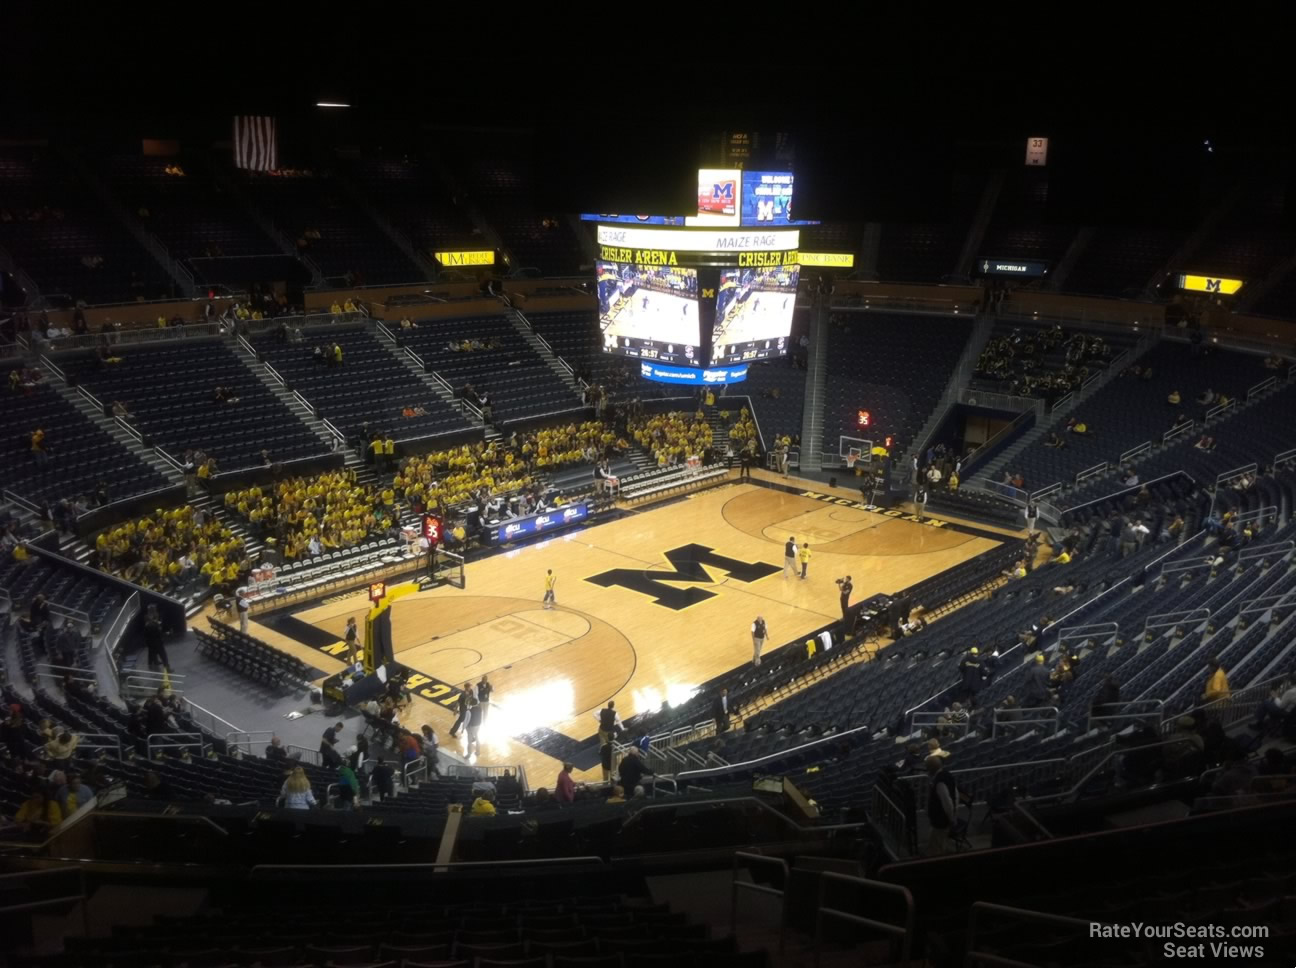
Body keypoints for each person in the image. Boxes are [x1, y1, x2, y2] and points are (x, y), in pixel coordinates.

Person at [925, 754, 957, 856]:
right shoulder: (947, 774)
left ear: (930, 769)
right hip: (941, 820)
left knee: (937, 848)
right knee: (937, 842)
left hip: (941, 820)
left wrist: (952, 818)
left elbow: (947, 803)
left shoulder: (940, 782)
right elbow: (955, 795)